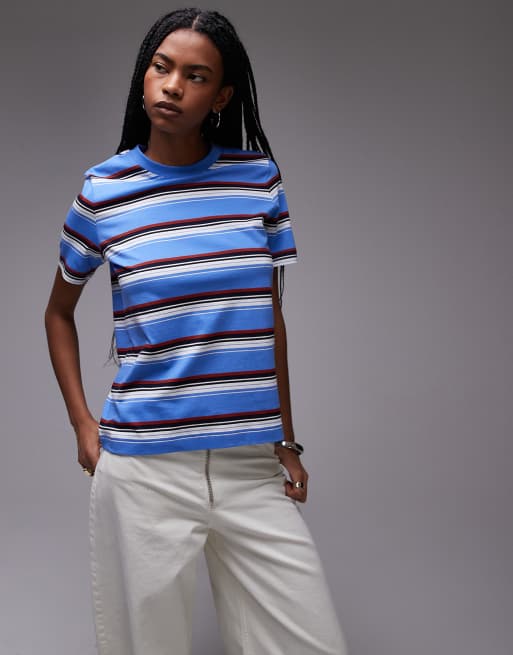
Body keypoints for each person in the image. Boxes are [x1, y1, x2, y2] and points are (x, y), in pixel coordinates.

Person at [44, 8, 348, 655]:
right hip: (143, 468)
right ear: (144, 75)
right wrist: (81, 423)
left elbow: (269, 321)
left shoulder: (257, 181)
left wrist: (285, 439)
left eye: (196, 75)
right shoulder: (104, 190)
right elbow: (58, 312)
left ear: (222, 96)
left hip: (248, 465)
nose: (173, 85)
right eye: (161, 67)